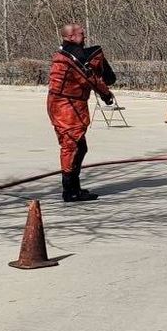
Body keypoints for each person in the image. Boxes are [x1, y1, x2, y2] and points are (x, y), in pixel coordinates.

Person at [46, 23, 116, 202]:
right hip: (67, 106)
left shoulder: (65, 53)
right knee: (72, 147)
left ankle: (74, 187)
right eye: (80, 33)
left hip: (63, 103)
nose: (83, 35)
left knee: (79, 147)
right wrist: (107, 95)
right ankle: (69, 191)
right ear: (70, 37)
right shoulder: (73, 57)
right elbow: (90, 78)